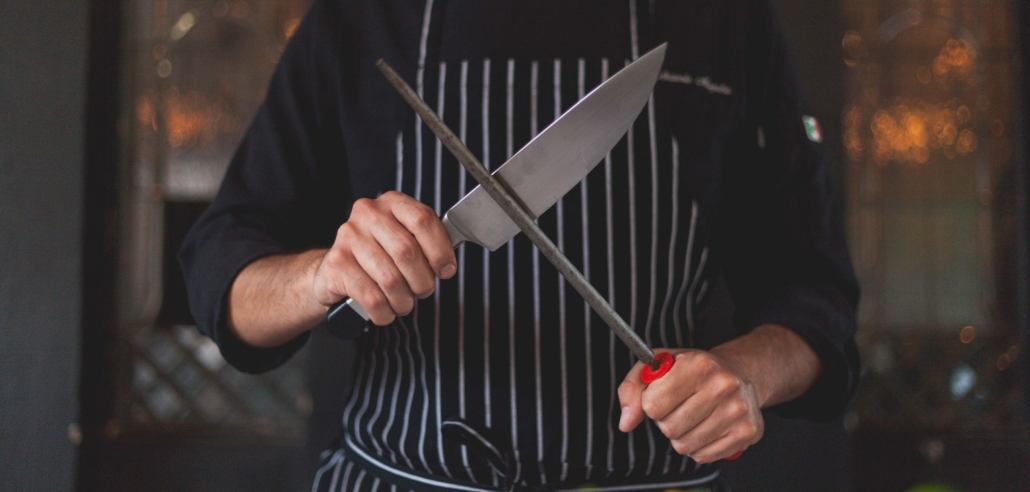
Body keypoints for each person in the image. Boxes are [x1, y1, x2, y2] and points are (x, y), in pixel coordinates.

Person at [180, 0, 860, 490]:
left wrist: (744, 373)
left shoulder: (725, 19)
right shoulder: (359, 19)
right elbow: (221, 272)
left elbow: (816, 295)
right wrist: (321, 276)